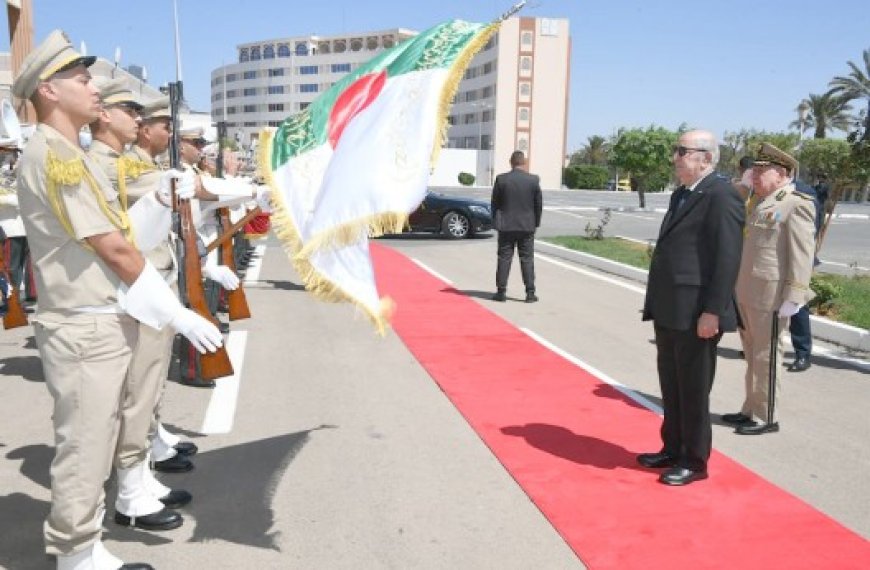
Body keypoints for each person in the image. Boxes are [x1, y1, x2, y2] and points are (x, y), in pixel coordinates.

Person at [13, 30, 222, 569]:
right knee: (84, 447)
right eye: (82, 80)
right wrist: (174, 311)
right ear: (50, 92)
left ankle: (86, 545)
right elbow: (111, 247)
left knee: (99, 436)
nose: (94, 90)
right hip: (83, 325)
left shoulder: (69, 154)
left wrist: (156, 200)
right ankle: (75, 555)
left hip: (102, 316)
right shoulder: (56, 155)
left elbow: (124, 234)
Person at [638, 129, 744, 486]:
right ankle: (673, 448)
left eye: (681, 151)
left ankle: (695, 461)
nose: (675, 157)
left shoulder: (721, 195)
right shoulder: (684, 193)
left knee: (694, 389)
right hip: (671, 308)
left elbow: (727, 259)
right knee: (672, 385)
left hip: (698, 311)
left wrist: (712, 311)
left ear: (705, 158)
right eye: (677, 150)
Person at [723, 143, 816, 435]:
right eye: (755, 170)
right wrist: (744, 183)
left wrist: (795, 295)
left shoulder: (796, 202)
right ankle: (750, 409)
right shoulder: (760, 200)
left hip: (771, 295)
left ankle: (766, 417)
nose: (756, 175)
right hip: (748, 291)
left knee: (767, 355)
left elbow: (802, 254)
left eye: (763, 171)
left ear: (783, 173)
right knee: (752, 354)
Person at [490, 150, 542, 303]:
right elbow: (538, 204)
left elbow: (495, 203)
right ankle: (530, 293)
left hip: (506, 226)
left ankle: (501, 292)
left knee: (504, 259)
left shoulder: (501, 179)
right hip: (527, 226)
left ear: (510, 162)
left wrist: (496, 222)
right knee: (527, 259)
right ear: (524, 162)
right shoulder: (533, 180)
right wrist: (535, 222)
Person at [786, 178, 822, 372]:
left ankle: (802, 354)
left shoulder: (802, 192)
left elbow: (816, 221)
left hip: (797, 261)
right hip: (771, 265)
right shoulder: (762, 192)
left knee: (797, 306)